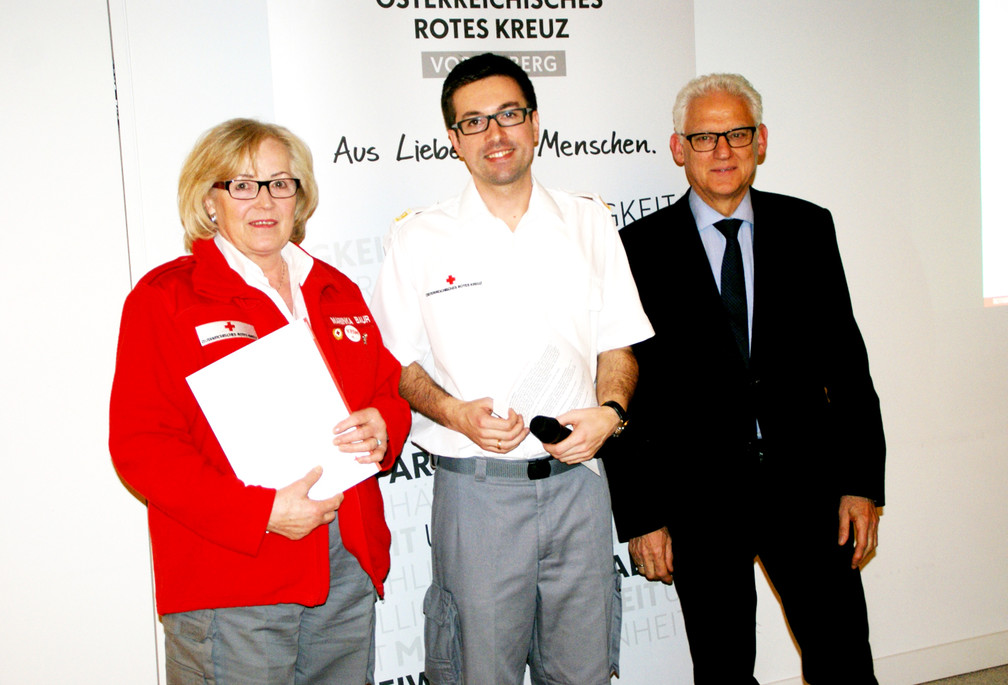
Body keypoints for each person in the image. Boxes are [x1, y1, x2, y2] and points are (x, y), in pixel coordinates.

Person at [369, 53, 653, 685]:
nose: (494, 134)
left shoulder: (589, 220)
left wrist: (610, 413)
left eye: (508, 115)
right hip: (478, 495)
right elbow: (394, 362)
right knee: (480, 673)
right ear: (454, 140)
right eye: (474, 122)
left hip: (580, 487)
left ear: (535, 122)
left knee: (582, 674)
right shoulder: (419, 238)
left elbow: (618, 345)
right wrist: (453, 413)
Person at [603, 73, 886, 684]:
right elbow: (624, 390)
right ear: (678, 149)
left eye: (736, 134)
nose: (722, 151)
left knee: (843, 659)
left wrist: (861, 483)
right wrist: (643, 515)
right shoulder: (635, 249)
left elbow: (847, 363)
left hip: (809, 490)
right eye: (704, 138)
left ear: (761, 141)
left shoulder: (808, 228)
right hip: (699, 499)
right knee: (723, 670)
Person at [109, 118, 411, 685]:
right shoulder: (165, 298)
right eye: (242, 185)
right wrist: (259, 514)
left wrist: (383, 423)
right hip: (234, 574)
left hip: (344, 563)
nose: (265, 200)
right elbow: (142, 447)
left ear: (300, 196)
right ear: (209, 199)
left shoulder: (336, 289)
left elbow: (386, 391)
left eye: (280, 183)